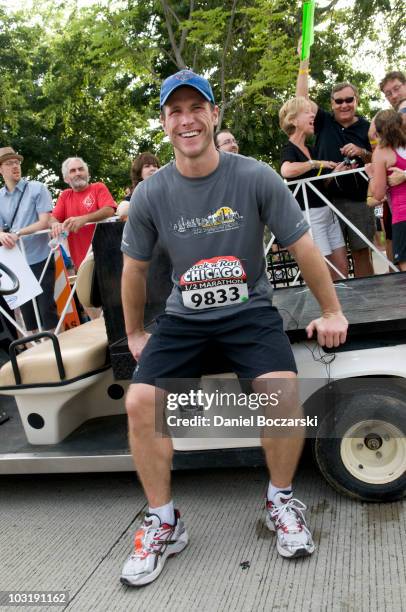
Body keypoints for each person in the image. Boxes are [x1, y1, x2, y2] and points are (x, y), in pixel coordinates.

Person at [120, 69, 348, 587]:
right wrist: (135, 334)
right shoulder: (152, 193)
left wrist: (331, 311)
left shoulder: (255, 177)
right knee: (139, 402)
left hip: (248, 310)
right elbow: (132, 270)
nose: (186, 120)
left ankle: (281, 499)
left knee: (282, 392)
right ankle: (164, 520)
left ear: (214, 114)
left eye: (195, 108)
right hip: (183, 318)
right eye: (174, 111)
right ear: (164, 123)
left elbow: (304, 246)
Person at [296, 52, 375, 278]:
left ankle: (368, 305)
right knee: (329, 257)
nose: (344, 105)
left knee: (361, 253)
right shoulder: (323, 121)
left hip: (359, 200)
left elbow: (379, 160)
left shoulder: (368, 127)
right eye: (338, 101)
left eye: (349, 100)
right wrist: (304, 62)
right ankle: (338, 305)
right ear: (331, 104)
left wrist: (362, 152)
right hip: (324, 201)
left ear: (356, 100)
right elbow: (300, 100)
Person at [279, 97, 348, 280]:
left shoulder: (312, 148)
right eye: (307, 112)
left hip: (328, 211)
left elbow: (320, 183)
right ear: (293, 120)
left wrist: (334, 173)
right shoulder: (290, 149)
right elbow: (286, 170)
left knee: (342, 267)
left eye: (312, 111)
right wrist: (314, 163)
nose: (313, 115)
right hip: (311, 214)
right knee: (324, 270)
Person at [0, 147, 58, 334]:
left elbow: (44, 222)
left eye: (17, 162)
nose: (15, 166)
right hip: (17, 261)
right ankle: (36, 352)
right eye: (9, 163)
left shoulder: (37, 188)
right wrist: (2, 235)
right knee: (27, 312)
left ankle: (58, 349)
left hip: (41, 257)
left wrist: (18, 233)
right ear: (1, 169)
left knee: (46, 307)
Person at [49, 157, 116, 270]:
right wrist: (54, 224)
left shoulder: (98, 187)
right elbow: (52, 218)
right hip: (80, 262)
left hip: (106, 256)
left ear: (87, 173)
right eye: (73, 171)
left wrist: (84, 219)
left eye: (81, 169)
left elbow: (109, 210)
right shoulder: (65, 195)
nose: (78, 173)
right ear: (66, 178)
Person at [368, 109, 406, 271]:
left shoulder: (381, 153)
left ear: (378, 131)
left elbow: (378, 194)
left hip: (402, 214)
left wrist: (371, 175)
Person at [116, 153, 160, 220]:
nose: (152, 169)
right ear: (139, 172)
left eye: (155, 166)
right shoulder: (134, 195)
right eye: (147, 166)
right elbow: (123, 210)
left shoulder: (166, 190)